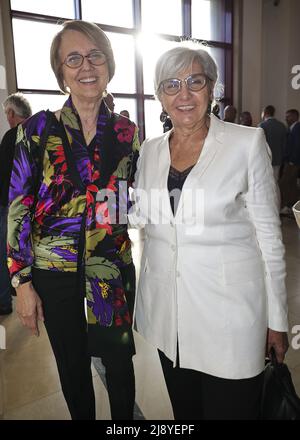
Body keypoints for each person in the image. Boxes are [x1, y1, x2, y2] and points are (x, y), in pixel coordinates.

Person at [130, 43, 289, 420]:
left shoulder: (246, 143)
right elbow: (141, 213)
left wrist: (278, 321)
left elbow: (270, 239)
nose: (183, 94)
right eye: (171, 84)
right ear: (160, 96)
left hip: (230, 320)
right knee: (185, 414)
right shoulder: (150, 150)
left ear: (212, 88)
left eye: (194, 81)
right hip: (170, 321)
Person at [7, 20, 139, 420]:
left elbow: (124, 203)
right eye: (74, 58)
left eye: (96, 55)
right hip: (55, 273)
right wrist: (22, 282)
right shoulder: (36, 130)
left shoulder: (125, 132)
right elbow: (18, 209)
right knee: (73, 368)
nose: (87, 65)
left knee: (118, 364)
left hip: (110, 268)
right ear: (61, 71)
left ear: (108, 64)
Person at [0, 93, 32, 315]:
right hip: (34, 206)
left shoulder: (12, 136)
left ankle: (3, 301)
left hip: (10, 206)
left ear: (11, 113)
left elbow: (3, 175)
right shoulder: (38, 133)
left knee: (6, 253)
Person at [279, 109, 300, 215]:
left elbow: (297, 146)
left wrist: (292, 160)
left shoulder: (297, 128)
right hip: (291, 161)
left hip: (293, 162)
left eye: (289, 116)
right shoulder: (292, 128)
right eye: (286, 116)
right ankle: (293, 206)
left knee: (284, 184)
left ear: (296, 117)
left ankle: (287, 206)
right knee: (291, 185)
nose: (286, 118)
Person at [259, 105, 287, 182]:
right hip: (278, 159)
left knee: (265, 182)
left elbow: (259, 144)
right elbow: (284, 144)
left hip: (265, 158)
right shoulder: (282, 126)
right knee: (275, 180)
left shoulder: (262, 125)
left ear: (265, 113)